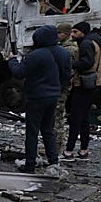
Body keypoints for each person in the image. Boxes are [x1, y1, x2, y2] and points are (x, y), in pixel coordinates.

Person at [7, 24, 72, 173]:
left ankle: (30, 165)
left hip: (36, 96)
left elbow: (19, 73)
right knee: (48, 130)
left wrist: (12, 60)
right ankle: (53, 161)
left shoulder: (36, 55)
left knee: (32, 132)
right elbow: (67, 75)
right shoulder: (64, 53)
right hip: (54, 95)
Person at [66, 20, 101, 160]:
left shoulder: (86, 44)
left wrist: (72, 64)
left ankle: (69, 150)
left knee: (76, 118)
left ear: (83, 32)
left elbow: (87, 63)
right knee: (84, 119)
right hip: (93, 84)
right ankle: (83, 149)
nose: (72, 35)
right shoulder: (96, 42)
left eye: (75, 32)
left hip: (84, 85)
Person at [55, 22, 78, 152]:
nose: (58, 35)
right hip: (62, 86)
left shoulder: (69, 49)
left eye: (60, 33)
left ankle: (57, 145)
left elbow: (68, 71)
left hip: (62, 87)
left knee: (58, 115)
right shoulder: (65, 47)